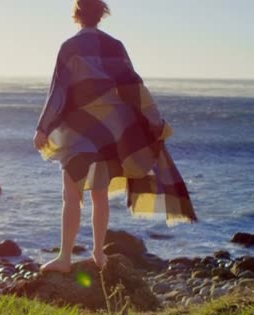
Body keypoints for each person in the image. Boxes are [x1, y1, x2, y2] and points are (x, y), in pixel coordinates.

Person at [33, 0, 197, 274]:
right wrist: (155, 121)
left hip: (81, 131)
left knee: (71, 195)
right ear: (101, 14)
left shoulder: (68, 47)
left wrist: (43, 128)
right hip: (111, 132)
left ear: (76, 15)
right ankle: (98, 254)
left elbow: (58, 92)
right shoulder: (115, 46)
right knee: (100, 195)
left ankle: (64, 259)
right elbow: (134, 86)